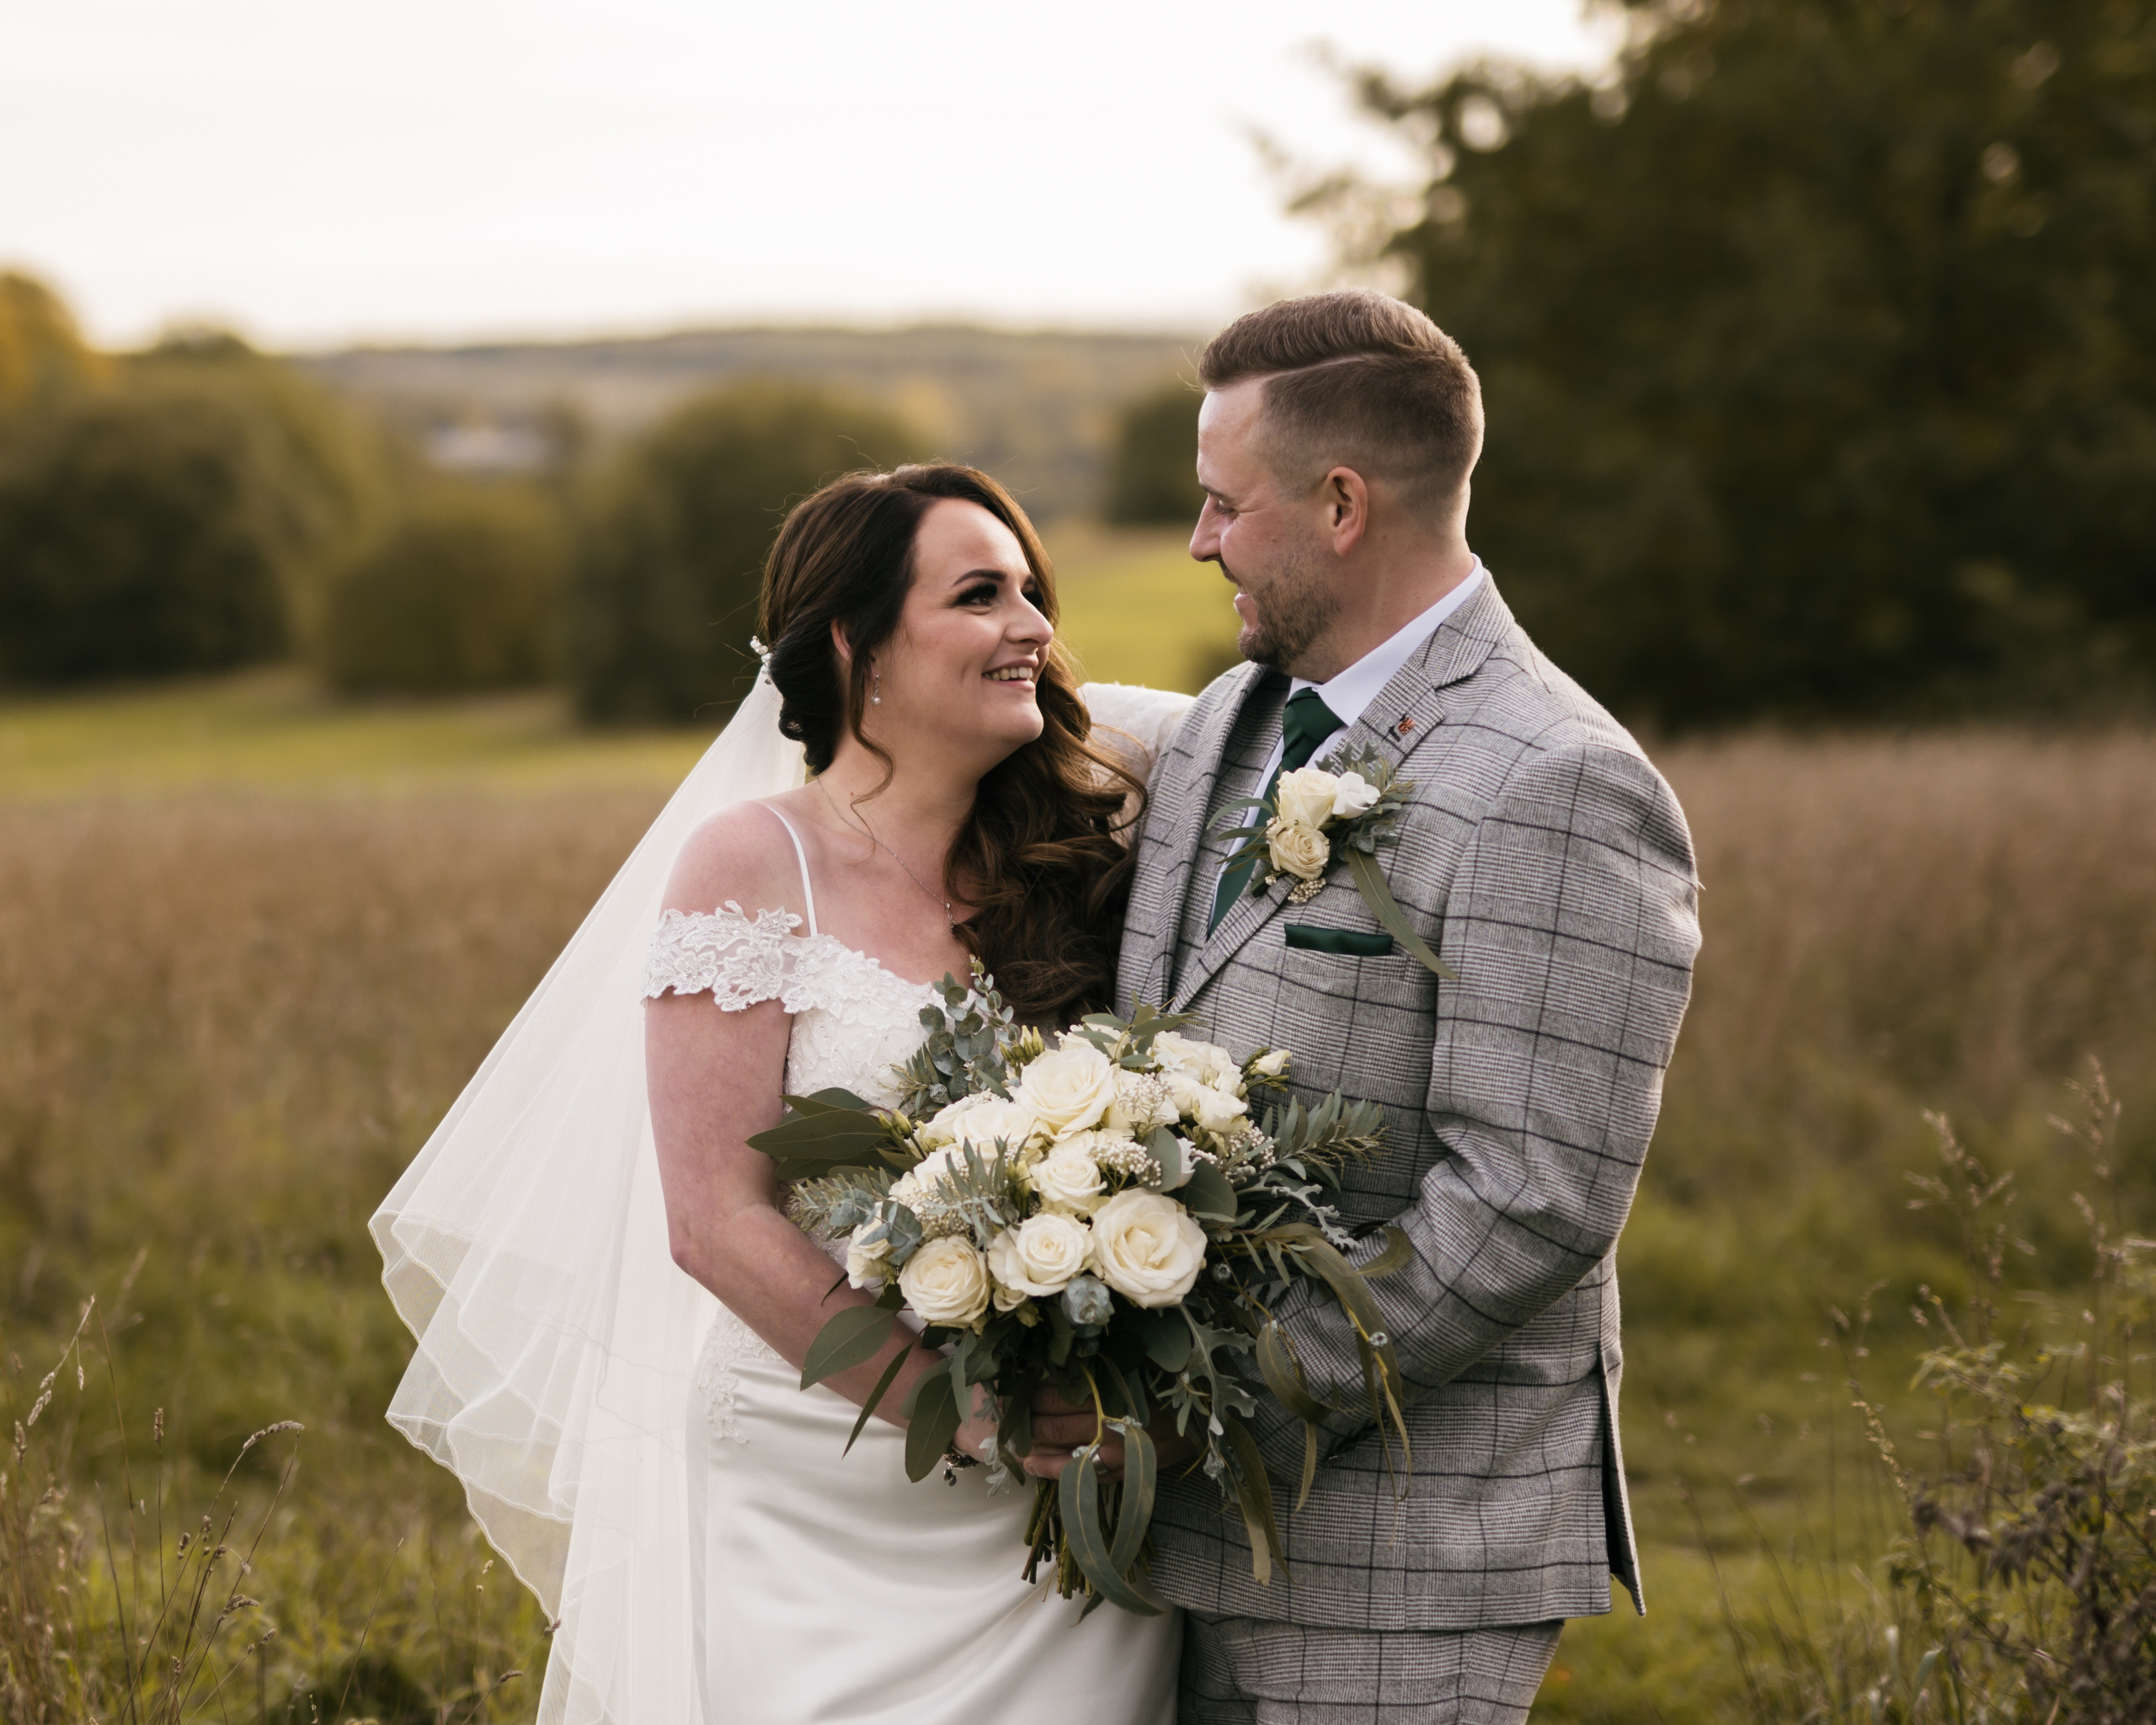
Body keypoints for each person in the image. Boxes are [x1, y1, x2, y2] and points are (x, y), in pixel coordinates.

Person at [372, 463, 1190, 1724]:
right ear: (858, 647)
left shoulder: (1085, 846)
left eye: (1035, 592)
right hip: (825, 1482)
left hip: (1056, 1515)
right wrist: (967, 1416)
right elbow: (714, 1218)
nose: (1033, 626)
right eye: (981, 595)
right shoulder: (755, 863)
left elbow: (1260, 723)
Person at [1026, 291, 1704, 1723]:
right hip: (1181, 1548)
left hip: (1404, 1550)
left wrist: (1200, 1400)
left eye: (1222, 503)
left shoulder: (1559, 782)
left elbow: (1527, 1197)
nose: (1200, 541)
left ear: (1341, 504)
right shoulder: (1236, 719)